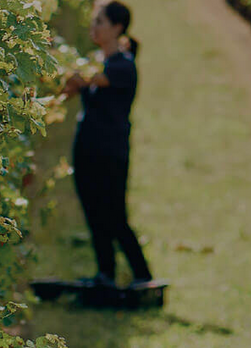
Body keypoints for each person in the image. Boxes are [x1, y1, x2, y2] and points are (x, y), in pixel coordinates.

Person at [62, 1, 155, 288]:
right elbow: (69, 88)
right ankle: (106, 274)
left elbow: (90, 79)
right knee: (93, 213)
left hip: (111, 152)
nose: (94, 27)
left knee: (114, 215)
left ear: (117, 27)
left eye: (99, 22)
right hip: (86, 148)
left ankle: (142, 276)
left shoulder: (122, 66)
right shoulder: (97, 62)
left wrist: (73, 73)